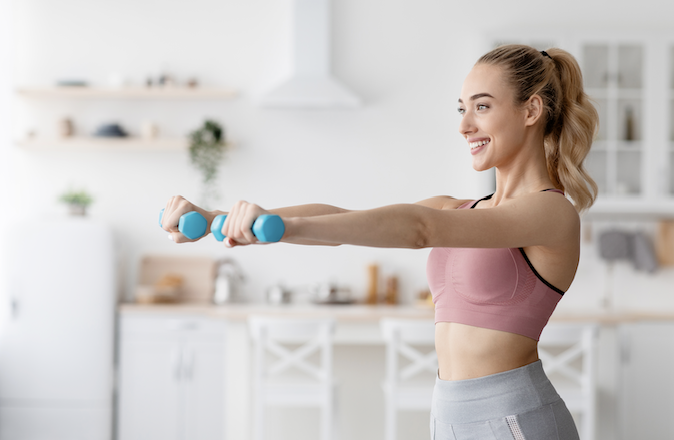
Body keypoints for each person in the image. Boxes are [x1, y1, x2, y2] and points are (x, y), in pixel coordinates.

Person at [161, 44, 598, 439]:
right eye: (461, 109)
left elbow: (418, 229)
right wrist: (222, 217)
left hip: (514, 420)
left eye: (481, 107)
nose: (464, 125)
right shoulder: (461, 209)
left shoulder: (550, 212)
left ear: (531, 110)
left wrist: (287, 229)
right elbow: (348, 220)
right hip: (447, 416)